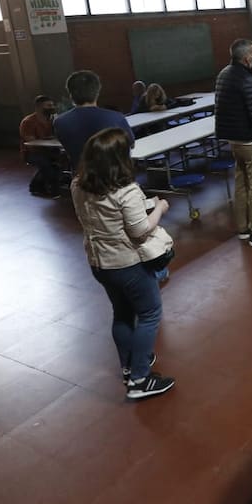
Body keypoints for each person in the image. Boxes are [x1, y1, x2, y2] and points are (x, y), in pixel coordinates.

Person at [71, 127, 176, 401]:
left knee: (122, 313)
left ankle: (129, 368)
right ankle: (140, 379)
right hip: (127, 264)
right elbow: (140, 230)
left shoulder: (78, 184)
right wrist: (160, 208)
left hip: (100, 264)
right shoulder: (126, 190)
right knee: (150, 313)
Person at [214, 39, 252, 246]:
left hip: (233, 140)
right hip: (250, 142)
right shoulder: (248, 81)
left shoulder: (223, 75)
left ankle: (242, 228)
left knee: (241, 185)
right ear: (247, 57)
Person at [54, 70, 135, 165]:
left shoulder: (59, 122)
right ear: (97, 92)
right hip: (113, 175)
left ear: (71, 94)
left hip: (81, 176)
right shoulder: (116, 117)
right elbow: (130, 144)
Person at [19, 94, 64, 198]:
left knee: (64, 159)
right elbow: (31, 141)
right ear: (38, 107)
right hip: (32, 152)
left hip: (50, 149)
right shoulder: (28, 122)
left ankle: (35, 185)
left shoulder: (52, 119)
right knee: (47, 164)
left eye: (52, 105)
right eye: (48, 105)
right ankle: (53, 189)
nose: (52, 107)